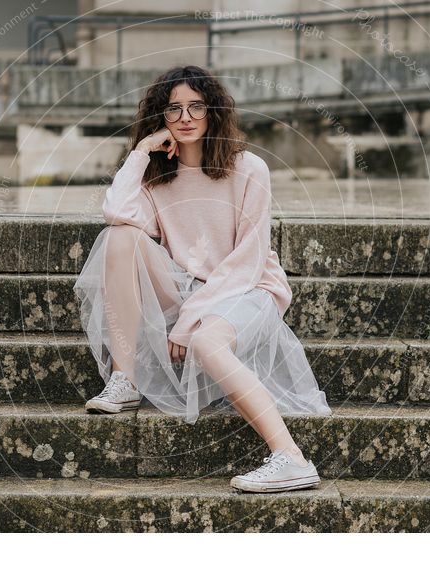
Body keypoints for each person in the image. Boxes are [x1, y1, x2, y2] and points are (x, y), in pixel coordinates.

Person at [73, 64, 332, 493]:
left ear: (213, 112)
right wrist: (141, 152)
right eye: (173, 110)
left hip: (246, 289)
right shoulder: (158, 177)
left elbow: (248, 259)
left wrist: (191, 317)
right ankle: (125, 379)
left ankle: (291, 459)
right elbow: (117, 212)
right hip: (188, 287)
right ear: (160, 118)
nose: (186, 117)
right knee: (119, 238)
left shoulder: (250, 168)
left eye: (196, 106)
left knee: (208, 341)